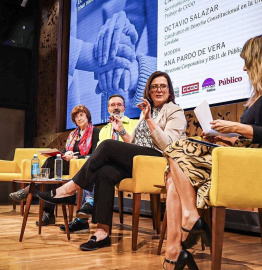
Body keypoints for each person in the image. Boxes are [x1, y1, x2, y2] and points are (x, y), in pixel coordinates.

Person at [38, 71, 187, 251]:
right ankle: (102, 232)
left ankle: (70, 188)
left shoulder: (175, 111)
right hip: (141, 160)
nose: (158, 90)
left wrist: (149, 120)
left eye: (163, 86)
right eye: (154, 86)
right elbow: (136, 145)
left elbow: (168, 145)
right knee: (104, 172)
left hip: (159, 162)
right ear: (149, 89)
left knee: (108, 145)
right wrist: (122, 131)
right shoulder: (148, 110)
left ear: (170, 90)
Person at [162, 35, 262, 270]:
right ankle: (174, 251)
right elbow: (247, 139)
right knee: (172, 175)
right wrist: (222, 137)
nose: (244, 67)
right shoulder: (255, 96)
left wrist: (236, 127)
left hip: (251, 167)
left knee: (176, 149)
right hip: (238, 158)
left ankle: (188, 222)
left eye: (247, 61)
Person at [9, 105, 100, 226]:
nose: (79, 118)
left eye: (81, 115)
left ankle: (30, 189)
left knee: (52, 166)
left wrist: (76, 157)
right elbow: (63, 153)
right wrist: (65, 154)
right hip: (70, 164)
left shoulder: (95, 132)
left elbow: (94, 154)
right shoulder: (72, 135)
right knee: (52, 165)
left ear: (87, 116)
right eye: (76, 117)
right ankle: (48, 213)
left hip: (84, 166)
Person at [60, 94, 138, 233]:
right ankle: (87, 212)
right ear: (108, 109)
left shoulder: (134, 124)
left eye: (119, 105)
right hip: (109, 169)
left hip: (129, 165)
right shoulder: (104, 130)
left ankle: (84, 210)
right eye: (112, 105)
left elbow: (137, 148)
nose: (116, 107)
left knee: (96, 164)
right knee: (97, 166)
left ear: (124, 107)